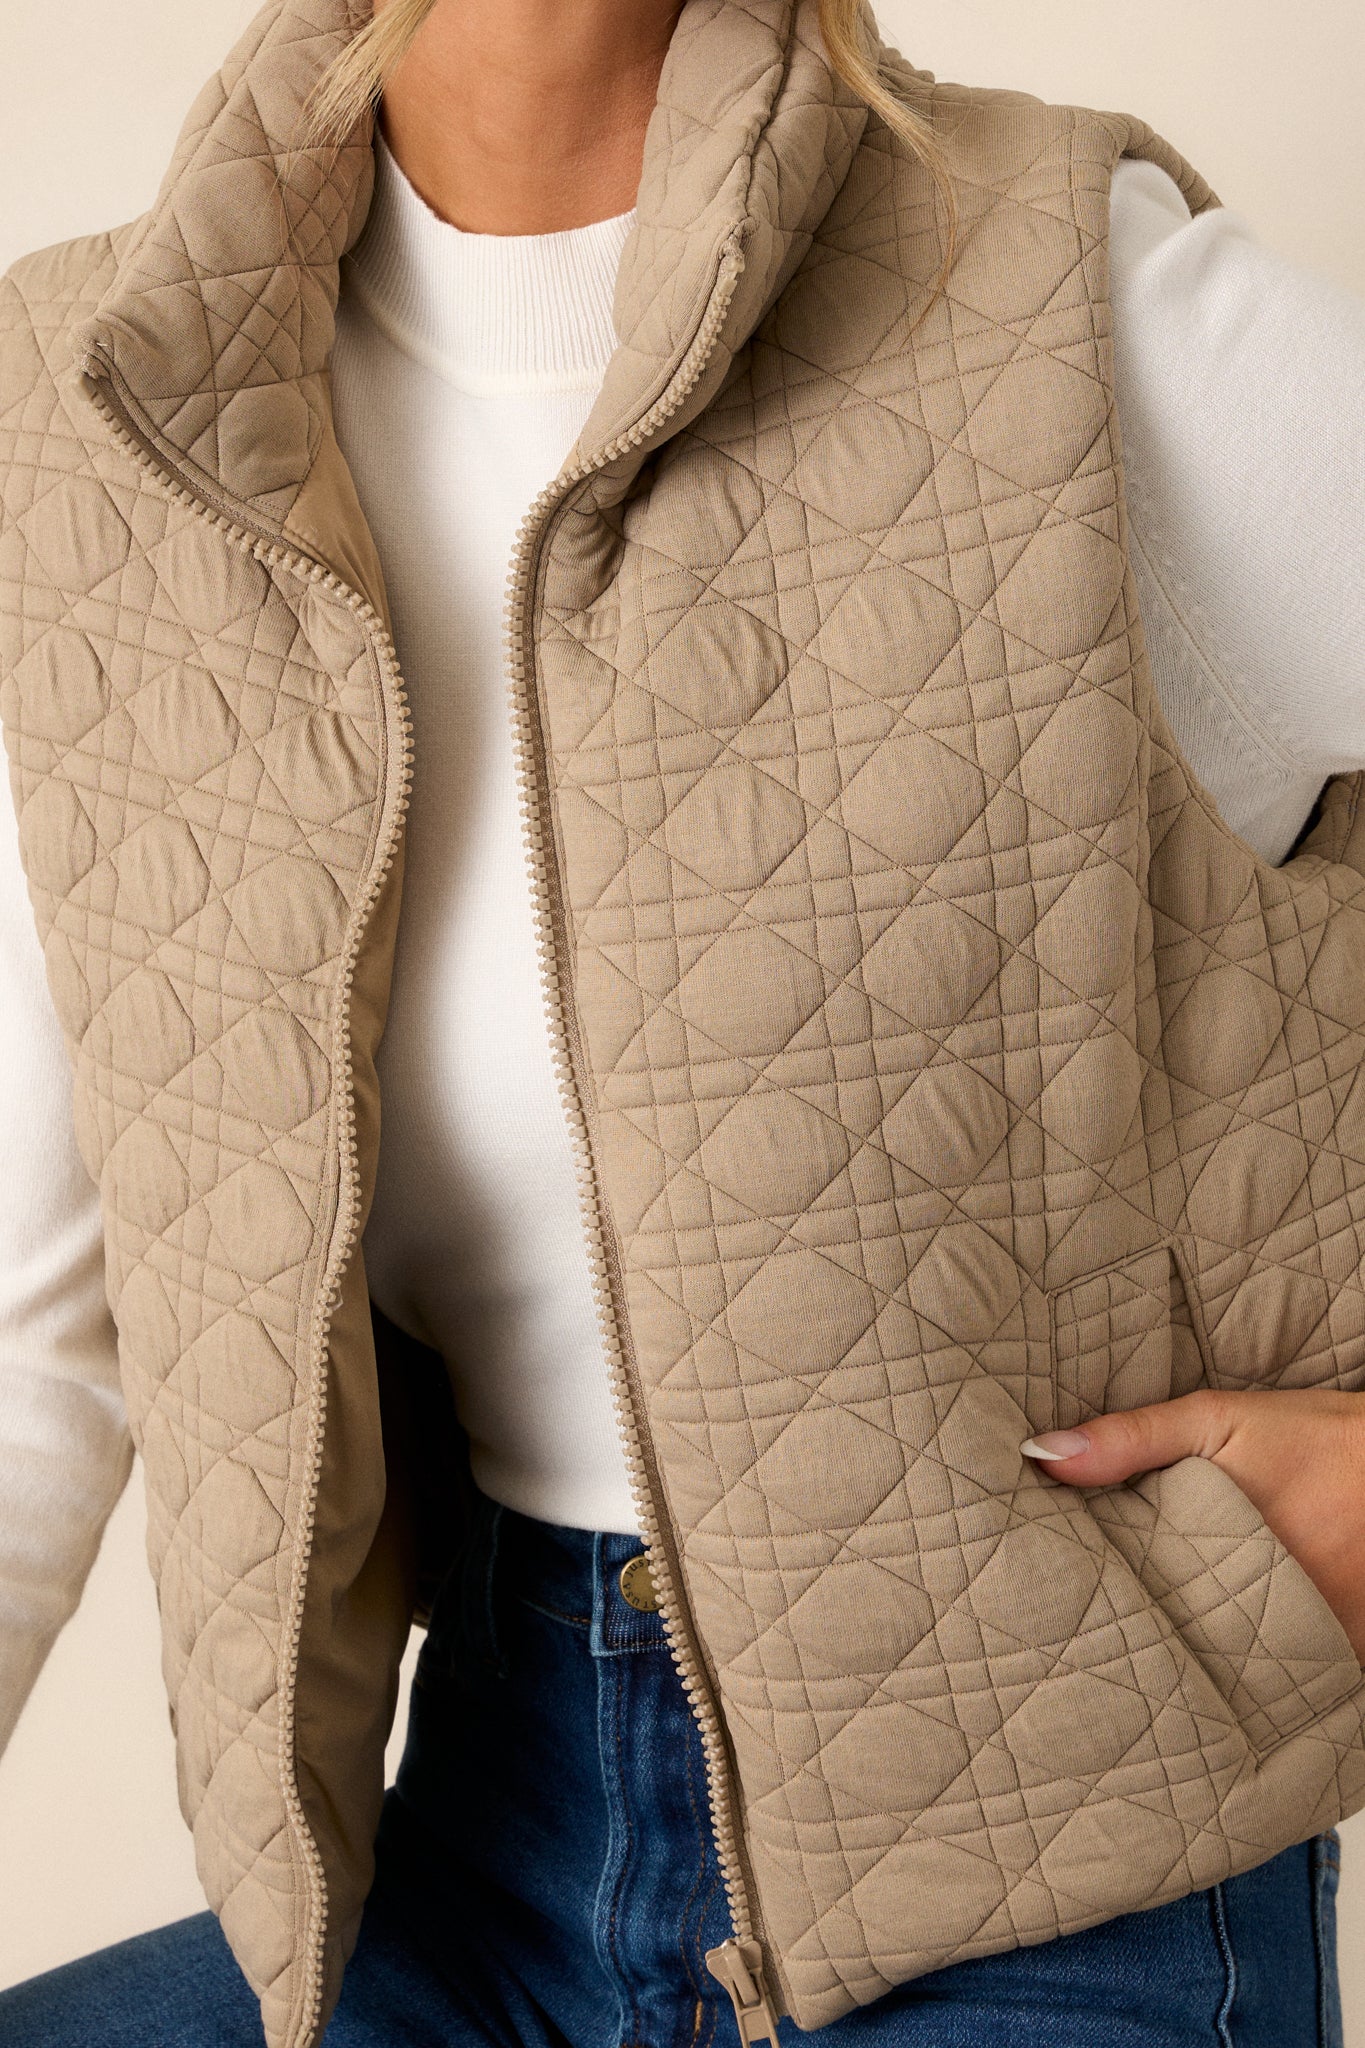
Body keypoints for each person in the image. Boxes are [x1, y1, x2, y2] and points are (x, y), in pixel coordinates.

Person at [0, 0, 1363, 2041]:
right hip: (474, 1849)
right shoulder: (94, 414)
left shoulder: (1075, 299)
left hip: (1050, 1877)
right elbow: (39, 1332)